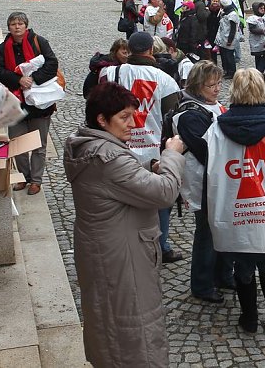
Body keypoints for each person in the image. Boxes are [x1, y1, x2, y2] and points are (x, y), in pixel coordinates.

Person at [63, 81, 186, 367]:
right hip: (122, 260)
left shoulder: (89, 146)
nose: (133, 123)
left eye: (133, 114)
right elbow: (164, 192)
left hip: (106, 252)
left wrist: (146, 168)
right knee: (133, 331)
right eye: (124, 117)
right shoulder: (108, 157)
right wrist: (171, 155)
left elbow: (116, 183)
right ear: (102, 120)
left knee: (108, 324)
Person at [205, 68, 265, 334]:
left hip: (234, 208)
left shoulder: (216, 130)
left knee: (243, 261)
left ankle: (249, 319)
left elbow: (209, 173)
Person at [100, 31, 182, 263]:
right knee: (160, 200)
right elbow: (171, 115)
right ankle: (161, 245)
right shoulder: (164, 79)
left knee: (120, 198)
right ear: (151, 50)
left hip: (117, 146)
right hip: (152, 148)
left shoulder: (109, 73)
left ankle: (123, 243)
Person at [172, 61, 228, 303]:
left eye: (218, 83)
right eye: (211, 85)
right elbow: (206, 150)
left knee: (222, 230)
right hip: (203, 182)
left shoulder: (210, 105)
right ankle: (202, 284)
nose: (216, 89)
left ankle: (223, 275)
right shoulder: (189, 115)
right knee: (206, 233)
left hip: (217, 178)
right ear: (197, 85)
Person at [0, 12, 59, 196]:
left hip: (40, 102)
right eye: (13, 24)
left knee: (39, 145)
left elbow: (52, 63)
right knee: (17, 143)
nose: (17, 27)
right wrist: (18, 79)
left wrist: (33, 79)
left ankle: (36, 181)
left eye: (20, 23)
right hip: (15, 102)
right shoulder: (2, 48)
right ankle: (23, 177)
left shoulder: (39, 42)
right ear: (9, 27)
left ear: (26, 26)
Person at [216, 0, 240, 79]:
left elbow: (233, 29)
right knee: (224, 55)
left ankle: (232, 72)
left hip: (229, 39)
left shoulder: (232, 15)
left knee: (229, 56)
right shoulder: (224, 12)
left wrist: (230, 40)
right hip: (223, 38)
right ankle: (226, 70)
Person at [247, 1, 265, 78]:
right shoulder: (252, 18)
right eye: (261, 8)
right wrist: (261, 31)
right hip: (256, 41)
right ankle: (258, 72)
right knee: (258, 57)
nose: (262, 10)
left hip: (264, 41)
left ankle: (259, 72)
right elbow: (252, 29)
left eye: (263, 8)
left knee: (264, 57)